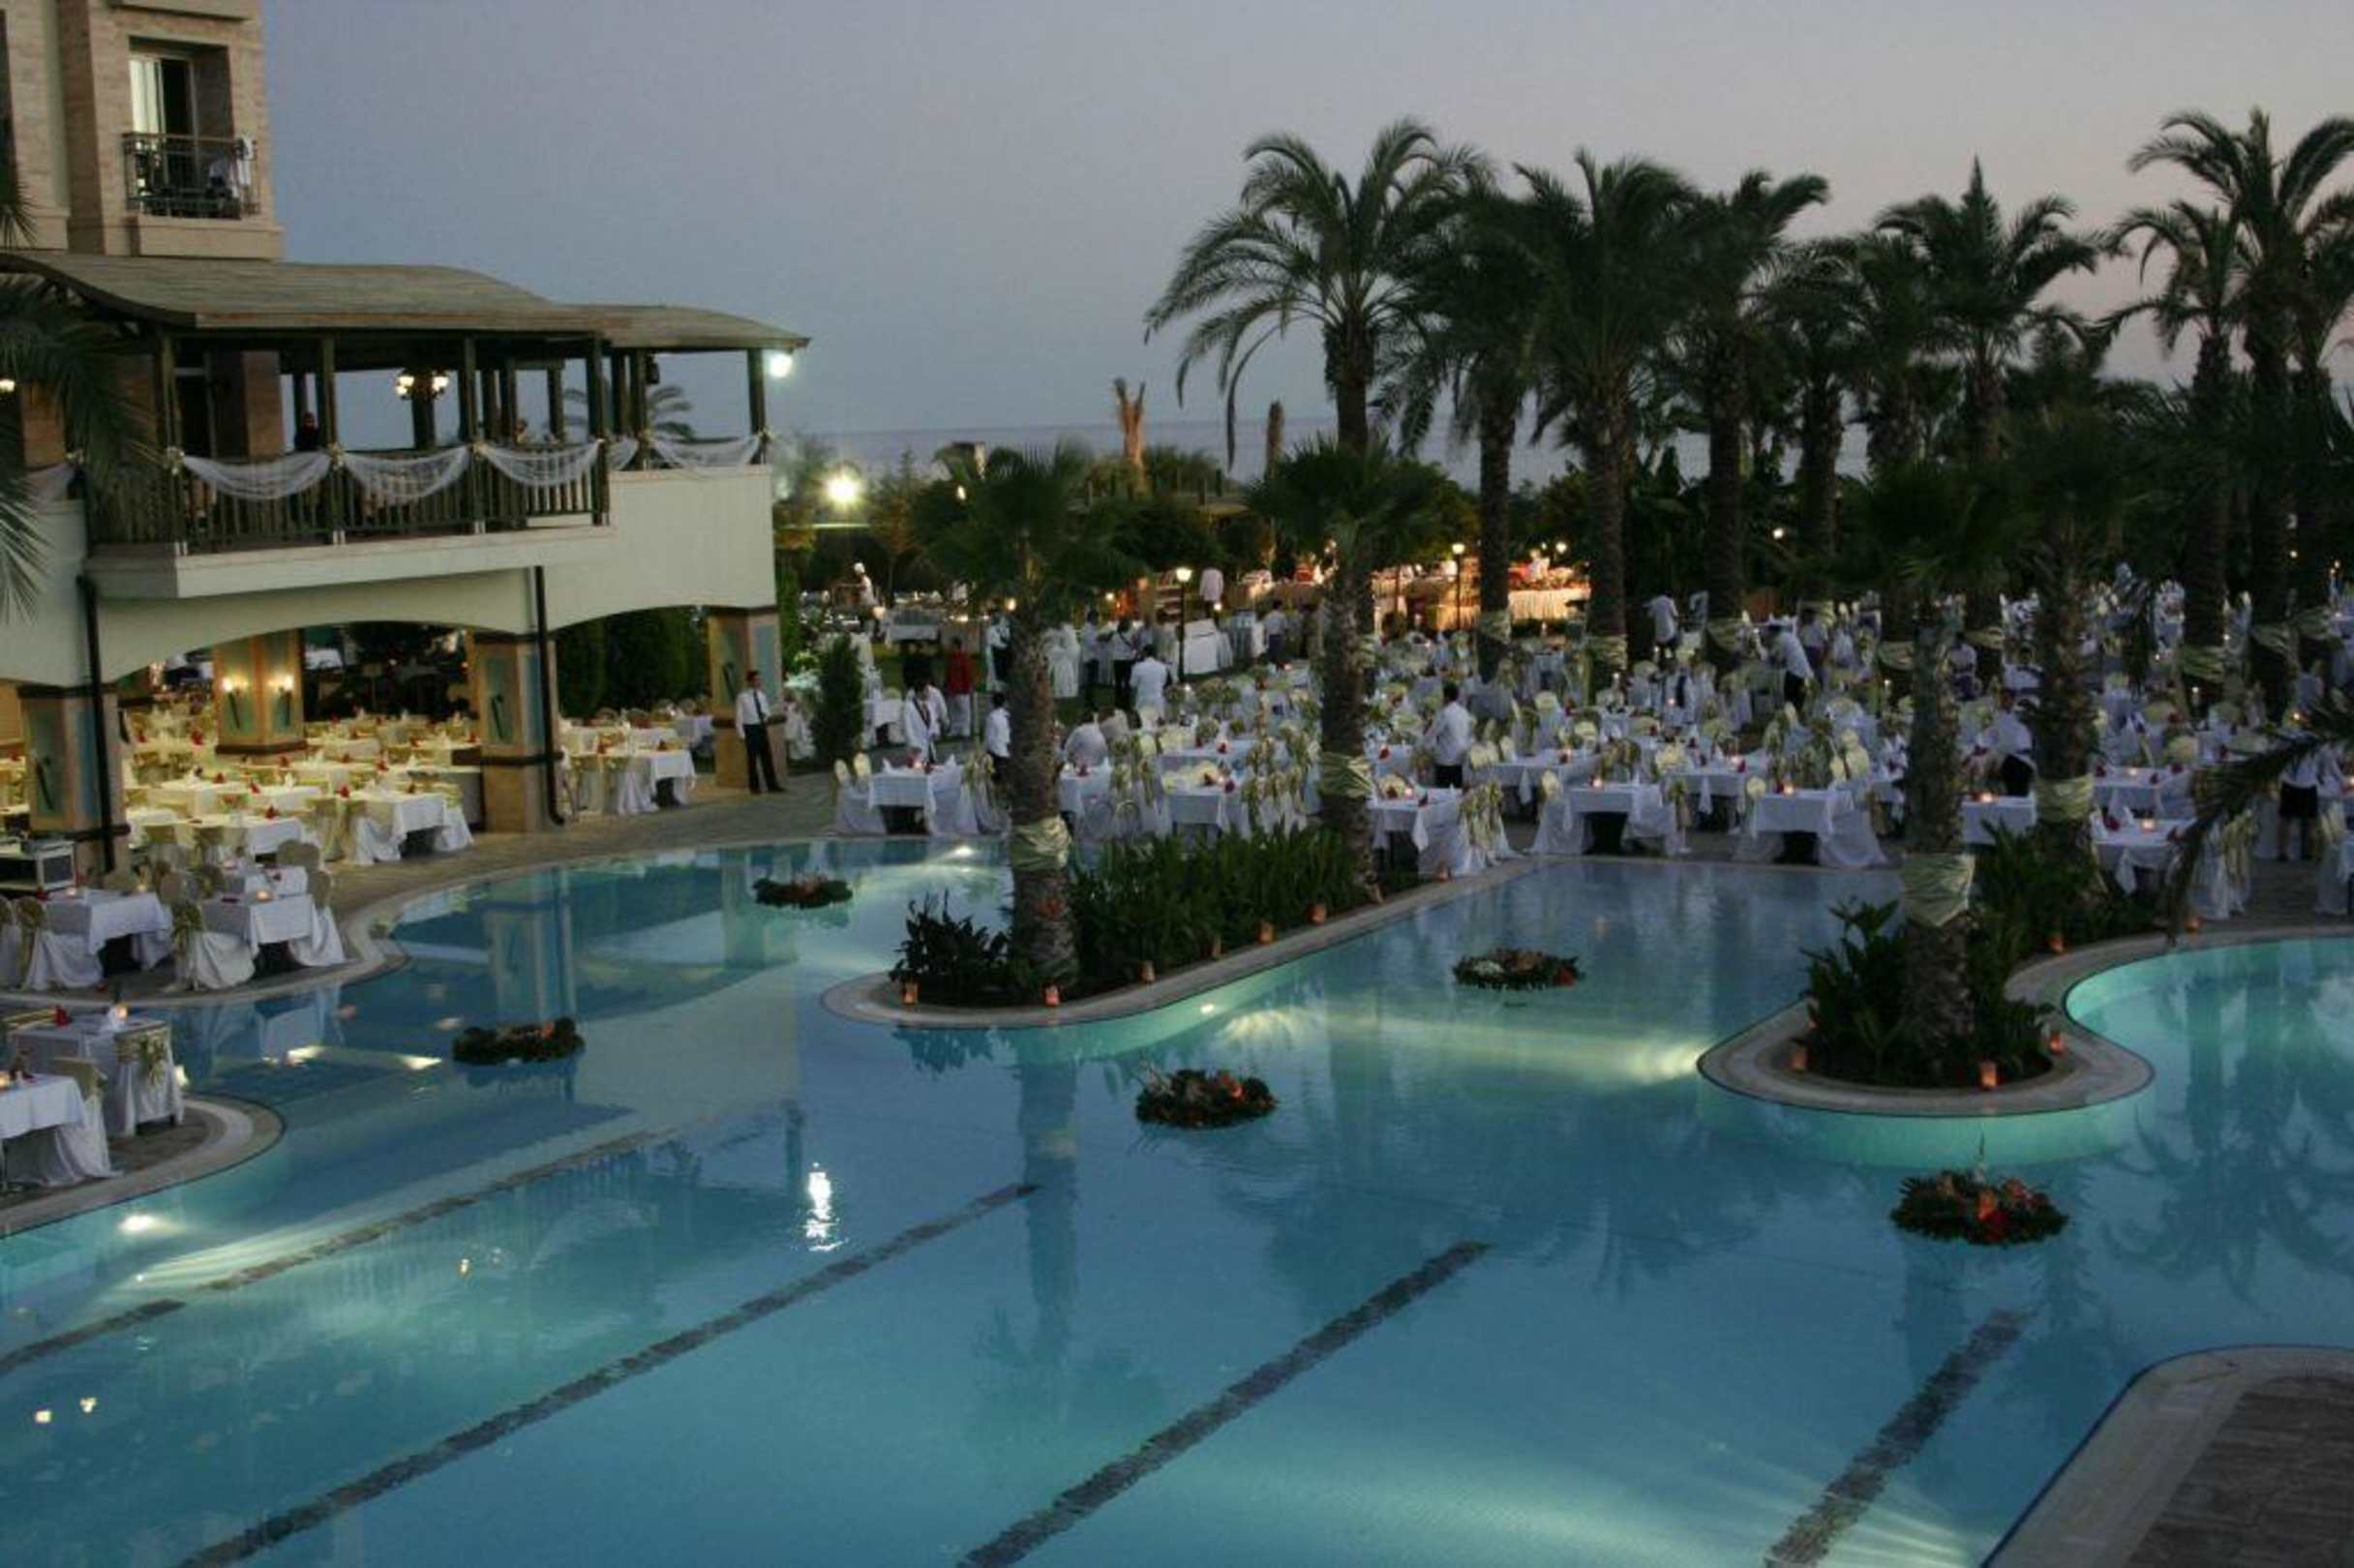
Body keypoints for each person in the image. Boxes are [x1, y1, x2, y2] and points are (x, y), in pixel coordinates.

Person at [734, 670, 781, 795]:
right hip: (750, 729)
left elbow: (766, 711)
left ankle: (772, 785)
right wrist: (742, 734)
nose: (759, 682)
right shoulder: (742, 697)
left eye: (760, 680)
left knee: (767, 757)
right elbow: (739, 717)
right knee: (752, 759)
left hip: (761, 727)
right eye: (756, 680)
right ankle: (754, 787)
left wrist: (765, 717)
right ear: (749, 681)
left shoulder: (761, 695)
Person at [1983, 688, 2035, 797]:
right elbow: (1991, 737)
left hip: (2023, 760)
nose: (2003, 702)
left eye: (2006, 699)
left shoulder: (2022, 714)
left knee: (2020, 792)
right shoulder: (1997, 718)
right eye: (2001, 699)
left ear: (2012, 700)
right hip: (2006, 759)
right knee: (2009, 792)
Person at [1425, 680, 1474, 790]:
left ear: (1446, 697)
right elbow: (1470, 734)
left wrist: (1425, 748)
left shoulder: (1445, 713)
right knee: (1457, 792)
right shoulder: (1464, 712)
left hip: (1445, 759)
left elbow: (1432, 733)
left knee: (1442, 792)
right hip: (1460, 759)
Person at [1772, 619, 1814, 710]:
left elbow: (1779, 659)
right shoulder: (1789, 636)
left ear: (1772, 632)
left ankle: (1792, 715)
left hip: (1795, 673)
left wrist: (1772, 658)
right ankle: (1798, 714)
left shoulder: (1779, 639)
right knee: (1800, 701)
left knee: (1790, 701)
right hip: (1804, 672)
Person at [944, 638, 977, 738]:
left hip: (962, 689)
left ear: (957, 646)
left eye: (952, 646)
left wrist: (969, 686)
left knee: (964, 710)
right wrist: (946, 685)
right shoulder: (950, 658)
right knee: (953, 710)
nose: (950, 648)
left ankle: (965, 728)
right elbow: (948, 673)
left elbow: (968, 673)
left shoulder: (964, 658)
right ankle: (955, 728)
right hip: (952, 689)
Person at [1131, 647, 1172, 720]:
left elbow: (1133, 684)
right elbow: (1163, 683)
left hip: (1142, 702)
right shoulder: (1162, 667)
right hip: (1158, 702)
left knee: (1143, 723)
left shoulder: (1137, 667)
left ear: (1144, 653)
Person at [1111, 618, 1137, 710]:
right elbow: (1134, 646)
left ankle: (1117, 702)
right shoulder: (1130, 635)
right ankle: (1126, 703)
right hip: (1127, 660)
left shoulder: (1115, 635)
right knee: (1127, 683)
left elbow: (1113, 646)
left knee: (1118, 683)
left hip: (1117, 660)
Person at [982, 691, 1011, 762]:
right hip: (1006, 751)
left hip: (995, 752)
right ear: (1004, 703)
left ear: (992, 703)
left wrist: (983, 750)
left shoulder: (991, 717)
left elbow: (989, 737)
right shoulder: (1007, 716)